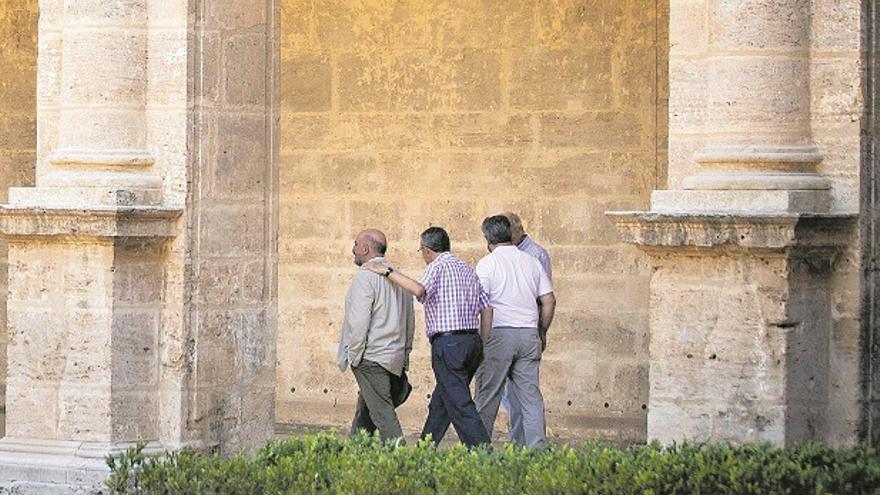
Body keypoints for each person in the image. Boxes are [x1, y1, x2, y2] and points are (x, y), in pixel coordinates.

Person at [363, 227, 491, 447]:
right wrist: (483, 344)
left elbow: (419, 290)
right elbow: (487, 309)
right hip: (472, 343)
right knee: (442, 403)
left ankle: (482, 454)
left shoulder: (438, 266)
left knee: (461, 405)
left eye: (421, 251)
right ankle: (425, 449)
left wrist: (387, 272)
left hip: (448, 344)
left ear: (428, 250)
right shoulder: (468, 269)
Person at [474, 215, 556, 448]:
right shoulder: (531, 261)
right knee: (531, 399)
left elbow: (485, 307)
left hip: (499, 334)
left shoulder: (486, 264)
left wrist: (483, 341)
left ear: (488, 239)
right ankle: (536, 451)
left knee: (487, 397)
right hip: (528, 333)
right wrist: (541, 330)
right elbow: (549, 300)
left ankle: (480, 451)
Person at [337, 229, 415, 443]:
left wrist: (354, 356)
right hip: (393, 357)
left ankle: (402, 466)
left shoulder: (365, 277)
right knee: (366, 413)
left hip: (372, 357)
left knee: (383, 415)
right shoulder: (398, 276)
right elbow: (410, 321)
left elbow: (358, 322)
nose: (353, 249)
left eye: (355, 244)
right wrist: (405, 354)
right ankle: (356, 457)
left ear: (364, 248)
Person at [500, 211, 553, 445]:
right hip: (525, 333)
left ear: (516, 229)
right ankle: (524, 444)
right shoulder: (508, 255)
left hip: (518, 332)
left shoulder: (535, 255)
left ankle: (523, 446)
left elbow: (545, 299)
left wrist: (542, 331)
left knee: (520, 395)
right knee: (515, 395)